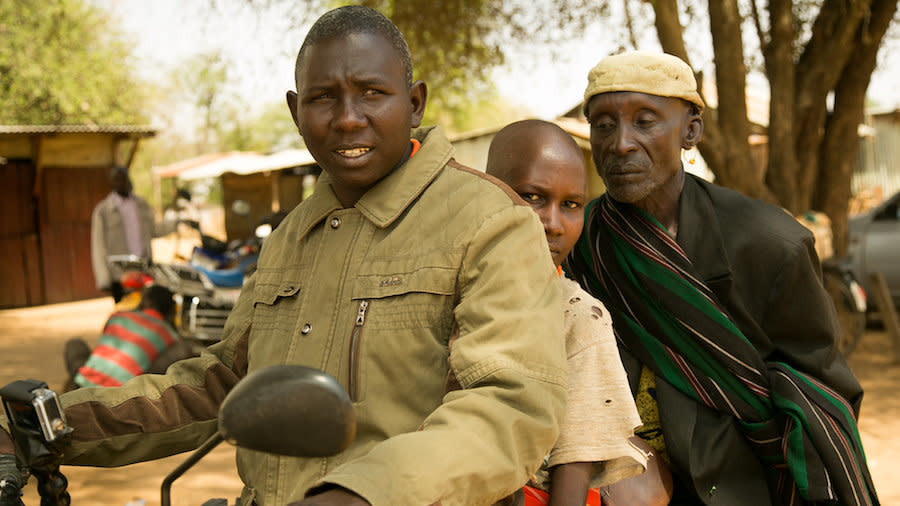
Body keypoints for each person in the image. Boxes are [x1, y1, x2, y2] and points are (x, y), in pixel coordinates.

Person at [1, 6, 568, 506]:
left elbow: (510, 406)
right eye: (324, 98)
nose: (348, 117)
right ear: (297, 112)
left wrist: (359, 495)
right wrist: (45, 427)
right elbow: (223, 386)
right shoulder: (290, 236)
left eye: (372, 92)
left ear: (414, 103)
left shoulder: (490, 221)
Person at [564, 51, 878, 505]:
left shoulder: (772, 244)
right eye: (604, 124)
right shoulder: (584, 240)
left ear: (690, 130)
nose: (621, 143)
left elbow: (826, 398)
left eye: (645, 121)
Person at [485, 119, 647, 506]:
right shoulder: (443, 288)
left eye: (571, 205)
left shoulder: (577, 316)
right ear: (487, 193)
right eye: (533, 197)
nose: (553, 224)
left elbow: (576, 454)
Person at [62, 284, 195, 390]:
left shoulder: (118, 316)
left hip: (83, 383)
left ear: (145, 302)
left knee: (75, 343)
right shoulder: (171, 336)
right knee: (181, 351)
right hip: (122, 393)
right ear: (170, 311)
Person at [90, 166, 156, 303]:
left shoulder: (141, 205)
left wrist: (178, 223)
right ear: (112, 183)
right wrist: (104, 279)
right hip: (120, 275)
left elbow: (153, 230)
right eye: (117, 180)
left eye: (123, 178)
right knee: (126, 315)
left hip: (143, 270)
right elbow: (98, 246)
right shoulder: (103, 211)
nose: (121, 183)